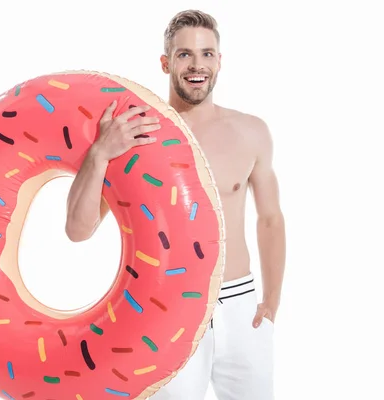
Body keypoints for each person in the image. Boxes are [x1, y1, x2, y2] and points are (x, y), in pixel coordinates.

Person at [65, 9, 286, 400]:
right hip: (166, 304)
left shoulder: (251, 131)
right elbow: (78, 231)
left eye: (206, 54)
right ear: (166, 62)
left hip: (240, 304)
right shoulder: (132, 132)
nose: (196, 65)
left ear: (219, 61)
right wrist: (100, 153)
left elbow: (269, 219)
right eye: (184, 55)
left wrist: (272, 300)